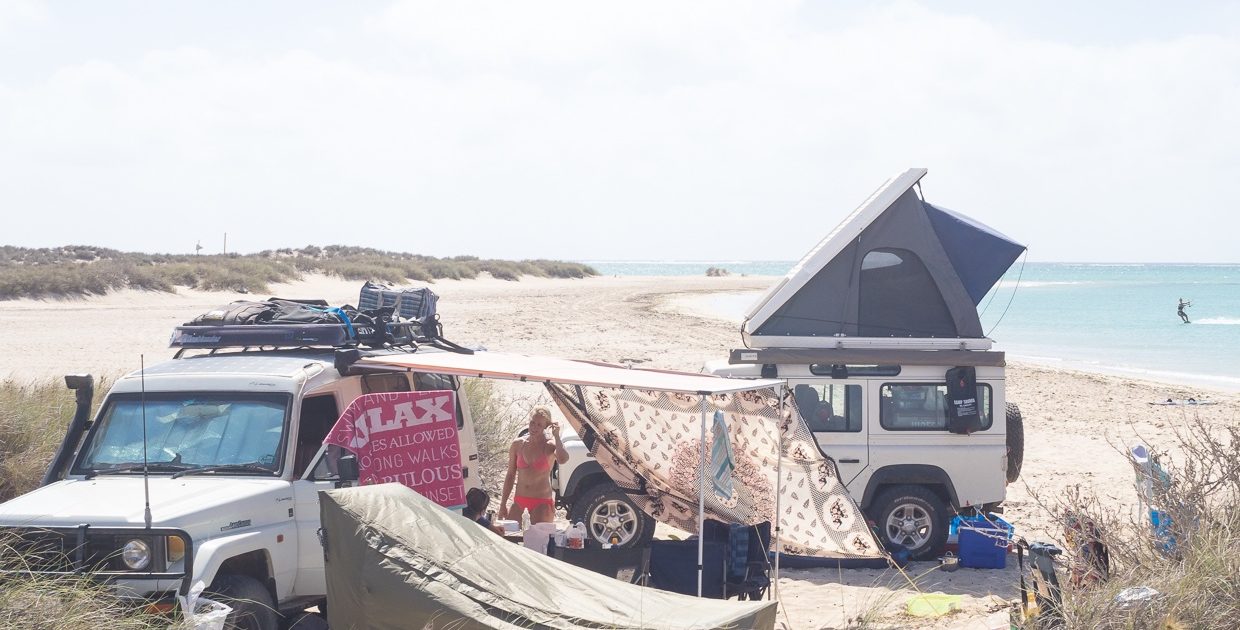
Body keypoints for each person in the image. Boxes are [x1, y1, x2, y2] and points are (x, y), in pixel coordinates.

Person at [499, 406, 569, 525]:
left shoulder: (550, 445)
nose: (534, 427)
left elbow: (563, 459)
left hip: (541, 503)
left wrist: (557, 436)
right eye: (532, 423)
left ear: (546, 426)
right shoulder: (518, 444)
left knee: (536, 542)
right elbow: (510, 475)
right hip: (519, 500)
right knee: (509, 538)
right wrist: (503, 504)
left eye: (539, 425)